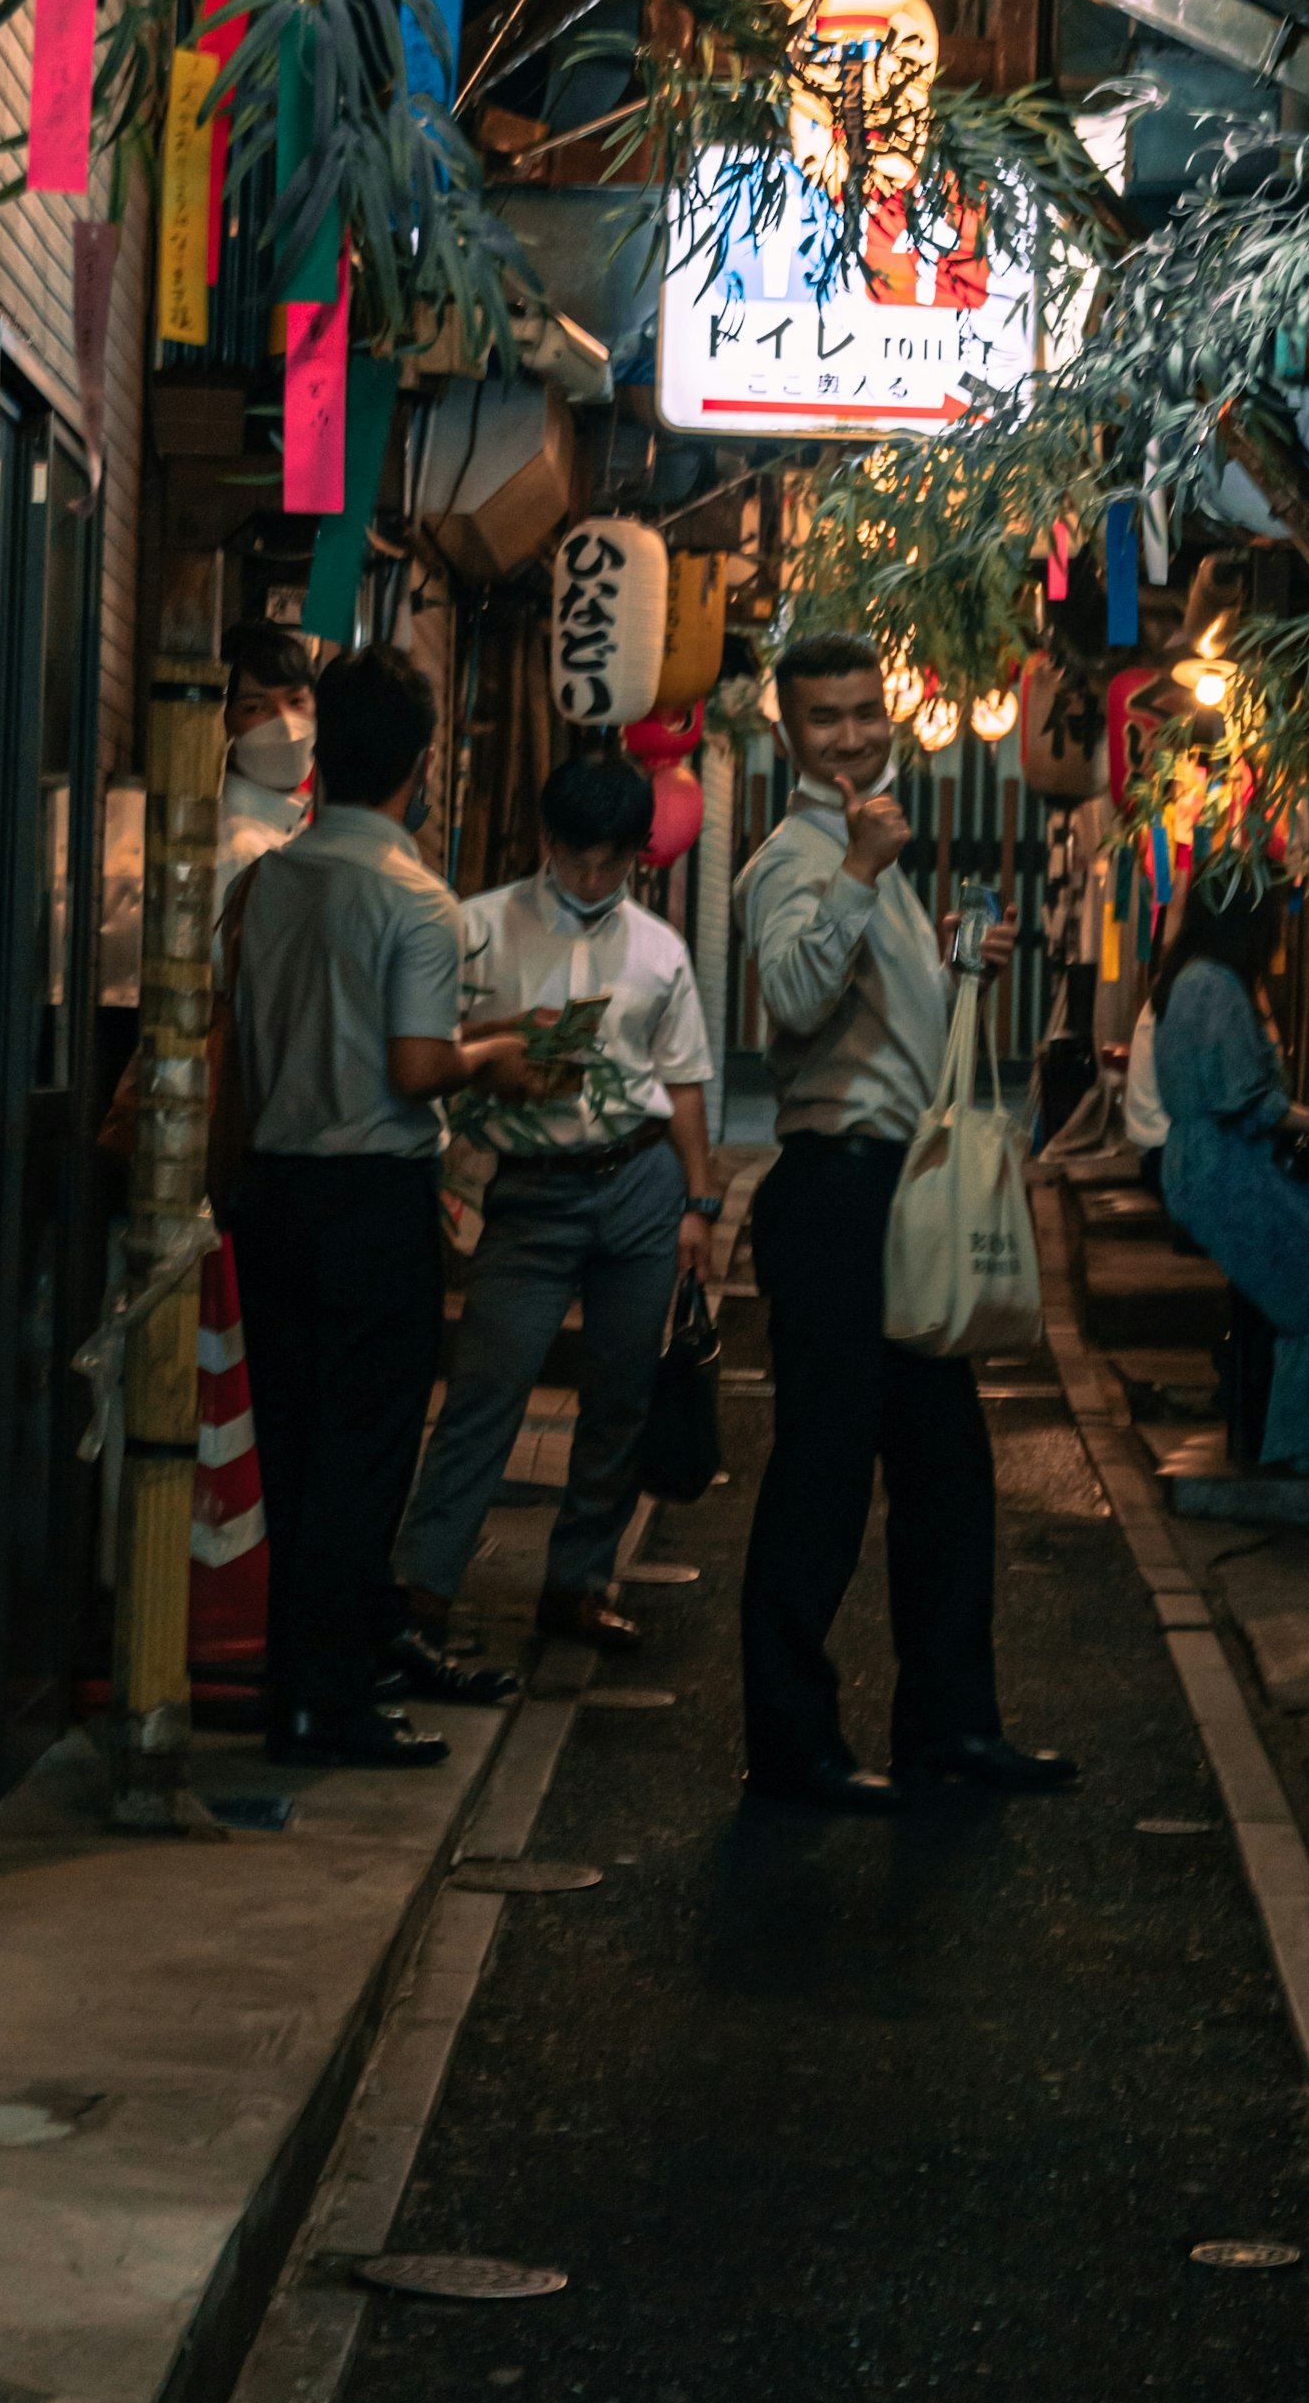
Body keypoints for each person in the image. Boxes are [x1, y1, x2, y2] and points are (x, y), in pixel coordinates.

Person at [728, 624, 1078, 1815]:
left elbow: (880, 1021)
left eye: (868, 712)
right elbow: (787, 996)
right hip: (834, 1191)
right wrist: (865, 875)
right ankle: (792, 1746)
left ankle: (949, 1727)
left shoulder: (871, 850)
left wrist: (951, 957)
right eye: (826, 718)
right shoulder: (796, 858)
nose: (855, 736)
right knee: (823, 1475)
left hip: (895, 1185)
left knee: (945, 1473)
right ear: (787, 734)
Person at [220, 643, 528, 1769]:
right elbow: (413, 1067)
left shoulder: (271, 878)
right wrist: (492, 1055)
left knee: (293, 1452)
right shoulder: (417, 900)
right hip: (369, 1202)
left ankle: (292, 1688)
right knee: (362, 1458)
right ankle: (331, 1701)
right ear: (422, 764)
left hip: (268, 1192)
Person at [394, 748, 721, 1675]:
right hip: (530, 1187)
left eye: (610, 862)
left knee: (620, 1392)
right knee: (486, 1389)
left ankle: (580, 1584)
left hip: (639, 1184)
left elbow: (686, 1083)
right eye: (576, 857)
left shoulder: (660, 949)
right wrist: (504, 1043)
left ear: (636, 857)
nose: (590, 878)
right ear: (546, 840)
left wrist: (697, 1201)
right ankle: (422, 1588)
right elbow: (425, 1042)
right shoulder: (479, 927)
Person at [1147, 867, 1309, 1476]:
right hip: (1234, 1177)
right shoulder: (1215, 986)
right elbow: (1251, 1100)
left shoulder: (1185, 980)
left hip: (1204, 1173)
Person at [218, 621, 317, 889]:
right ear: (224, 720)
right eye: (255, 708)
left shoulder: (296, 830)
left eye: (296, 701)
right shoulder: (240, 850)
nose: (285, 723)